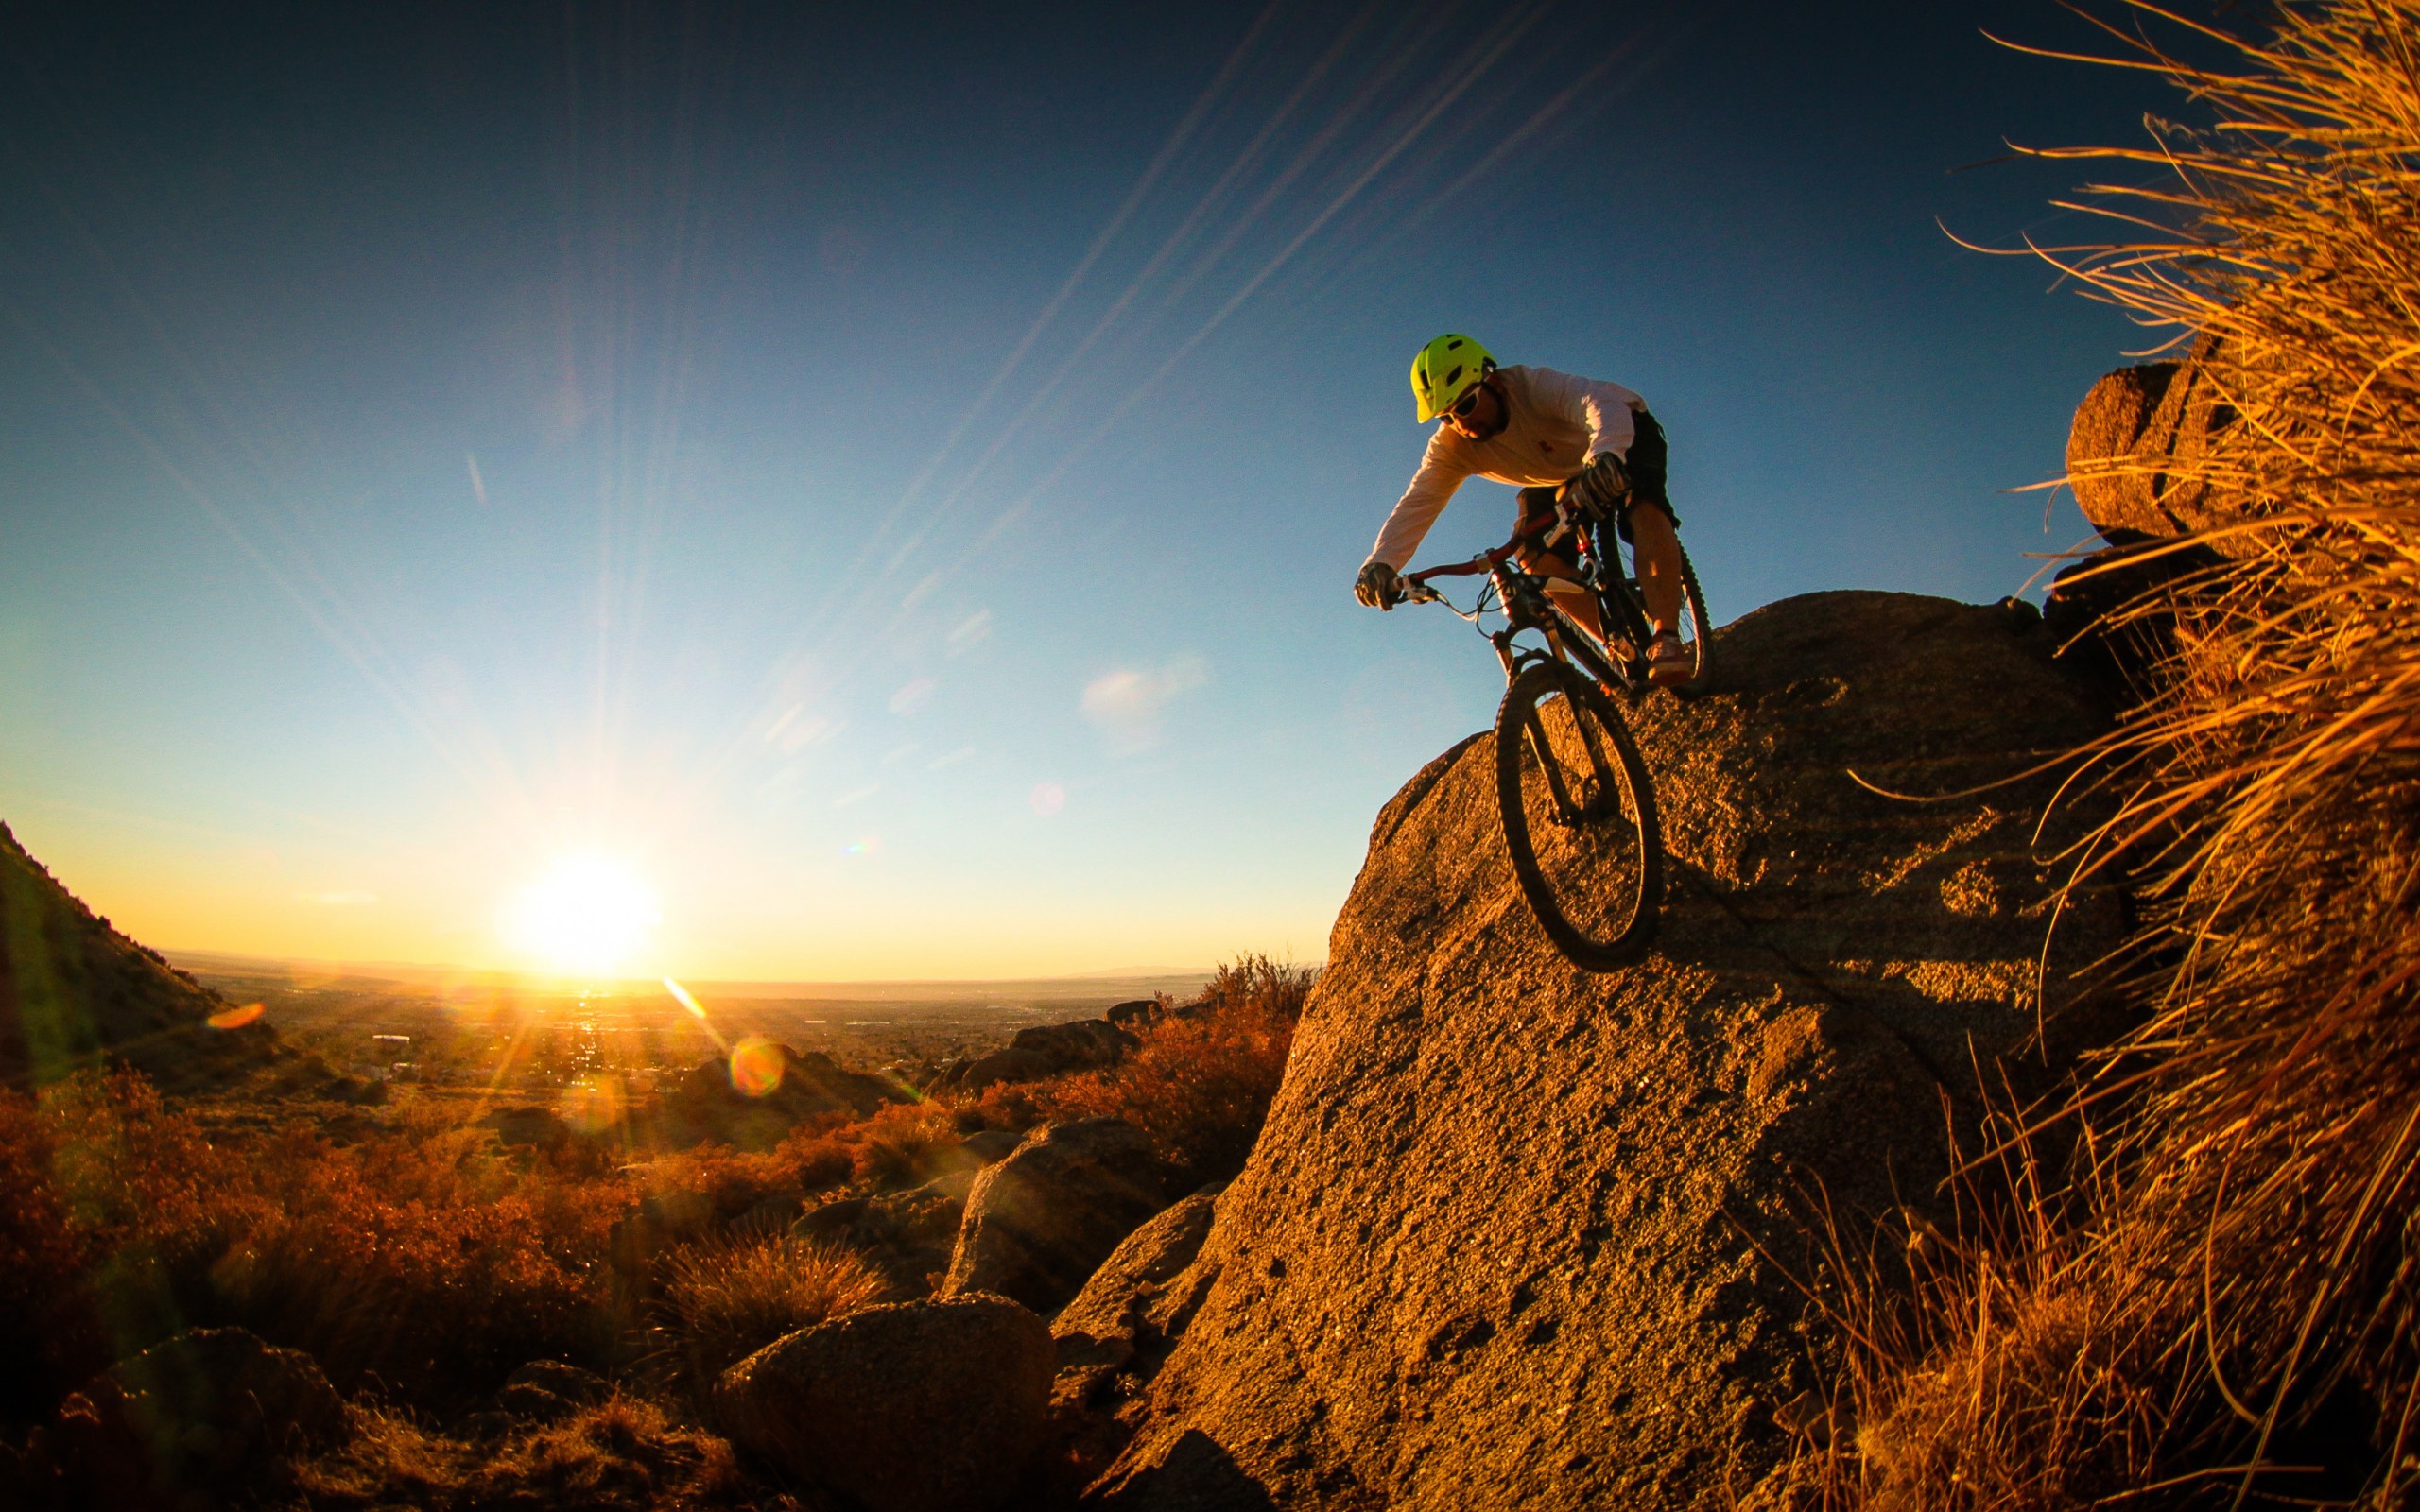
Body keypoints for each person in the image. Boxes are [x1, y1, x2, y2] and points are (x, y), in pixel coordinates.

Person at [1354, 333, 1692, 686]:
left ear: (1493, 380)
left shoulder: (1533, 388)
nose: (1460, 424)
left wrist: (1606, 454)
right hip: (1554, 475)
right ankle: (1617, 645)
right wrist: (1381, 564)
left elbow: (1598, 402)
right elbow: (1419, 502)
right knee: (1532, 558)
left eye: (1466, 404)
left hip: (1621, 434)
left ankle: (1666, 637)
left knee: (1643, 509)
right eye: (1446, 417)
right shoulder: (1451, 447)